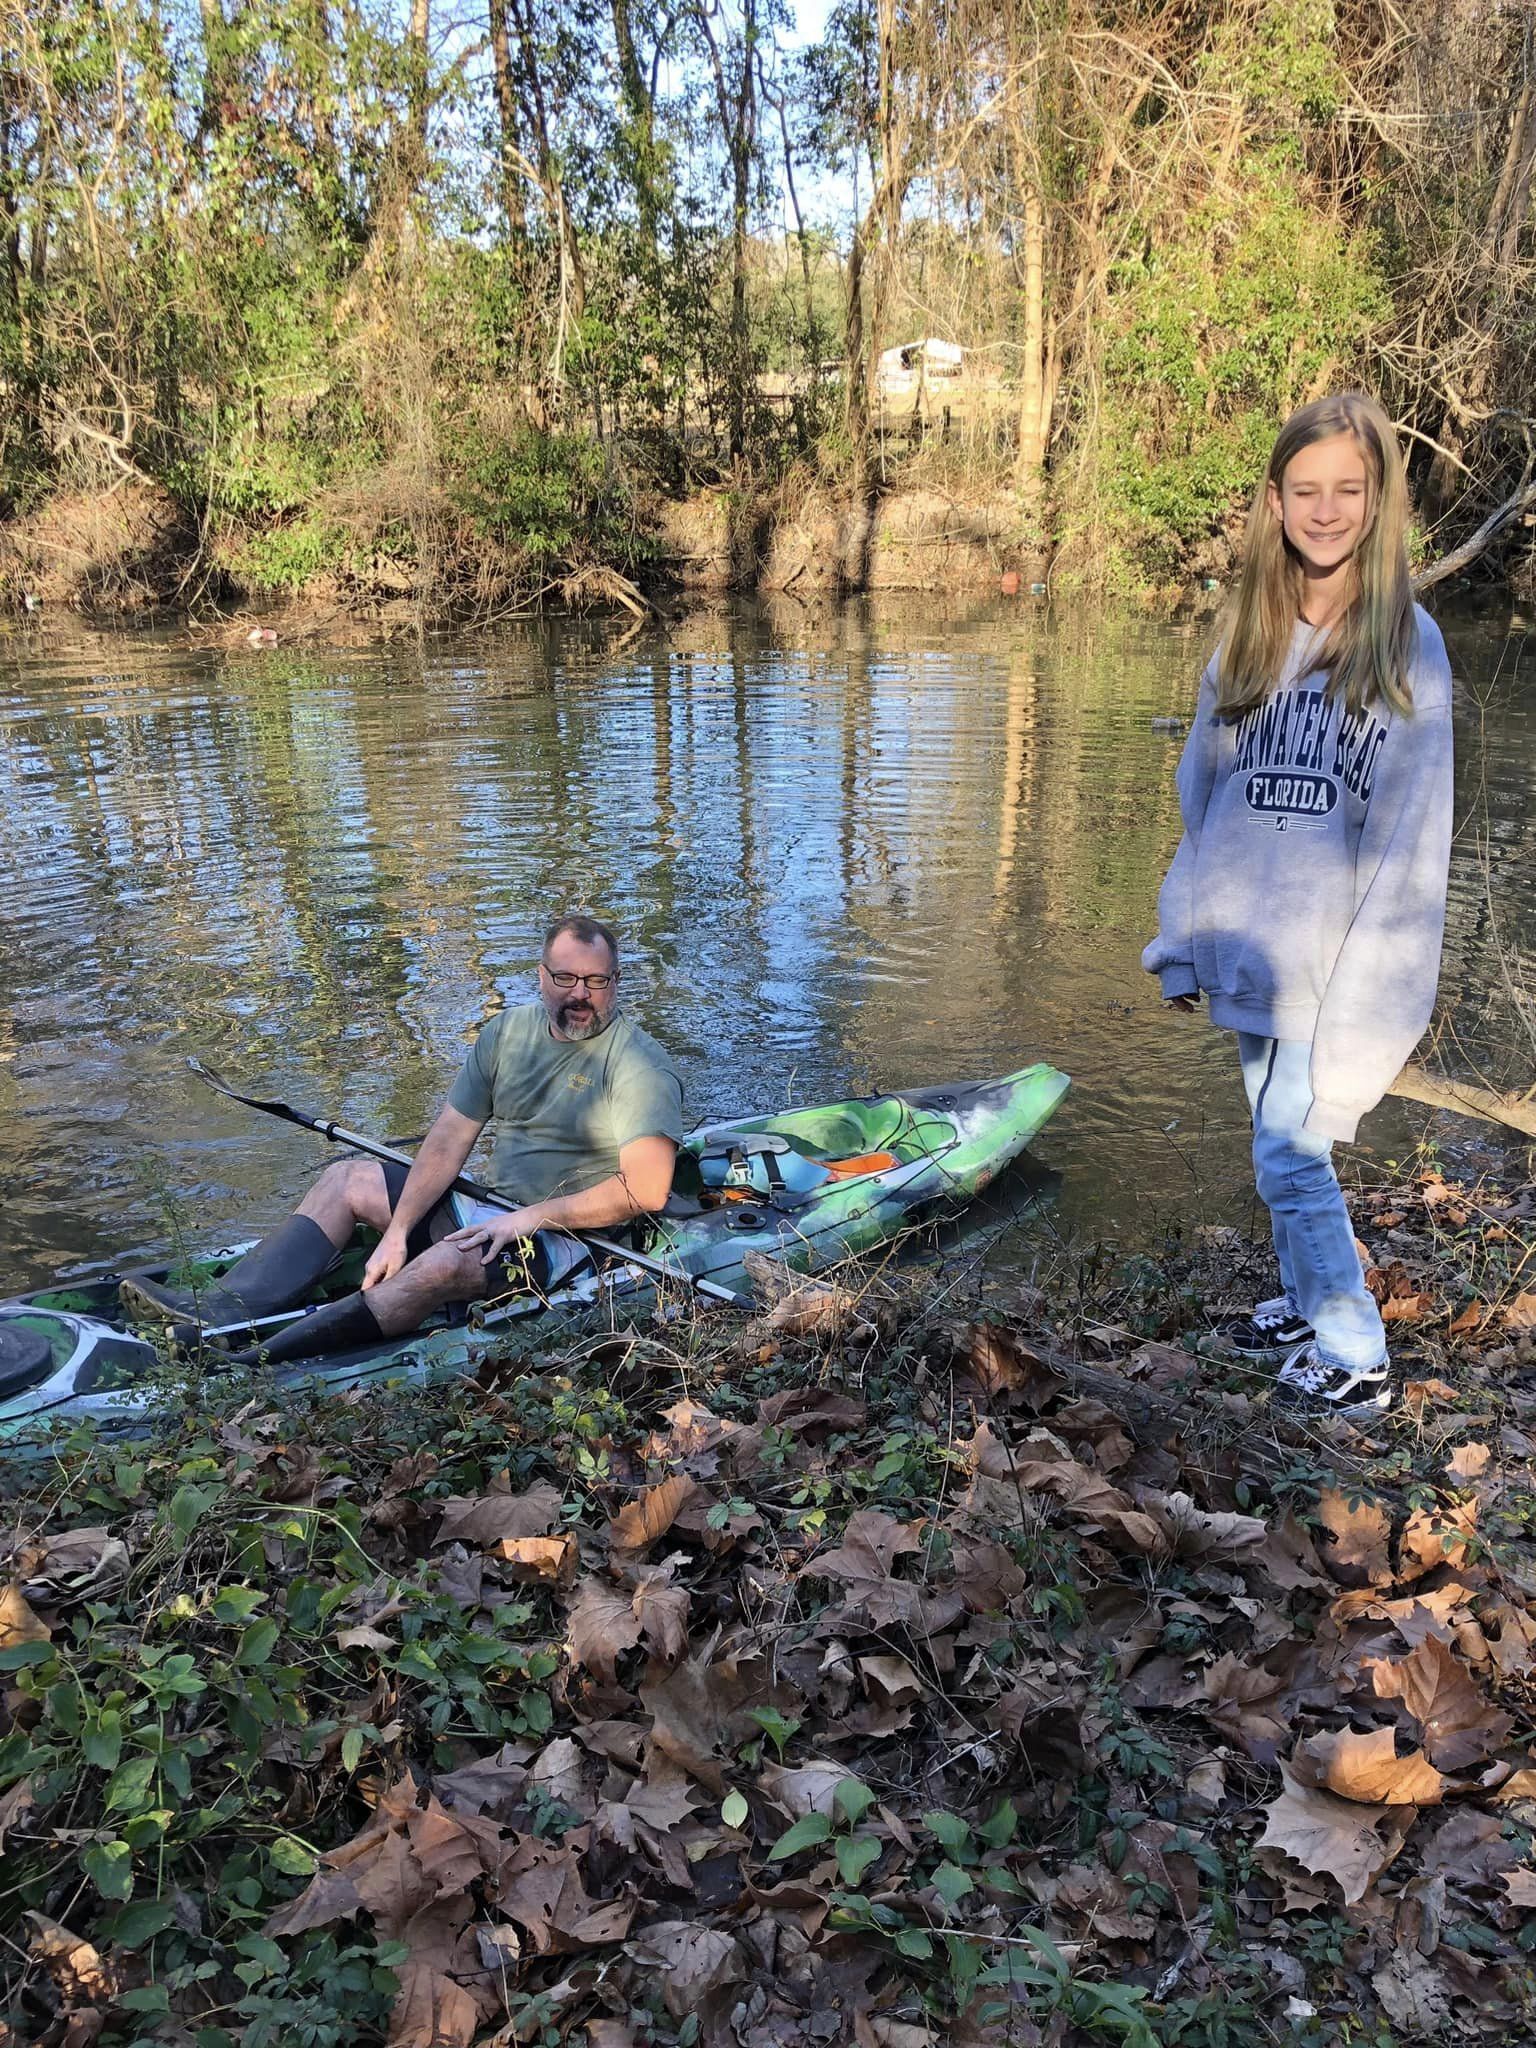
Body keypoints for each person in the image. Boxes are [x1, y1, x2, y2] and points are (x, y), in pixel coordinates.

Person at [1142, 392, 1454, 1415]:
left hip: (1334, 970)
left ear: (1377, 503)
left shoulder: (1408, 646)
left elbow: (1408, 855)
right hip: (1251, 950)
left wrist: (1371, 1020)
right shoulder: (1250, 631)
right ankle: (1300, 1290)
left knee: (1293, 1142)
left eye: (1347, 491)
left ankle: (1355, 1346)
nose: (1325, 510)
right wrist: (1184, 940)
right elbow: (1204, 798)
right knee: (1276, 1139)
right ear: (1275, 501)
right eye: (1305, 490)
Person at [123, 915, 683, 1360]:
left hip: (569, 1242)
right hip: (489, 1210)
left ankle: (258, 1361)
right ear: (541, 976)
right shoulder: (507, 1034)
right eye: (565, 978)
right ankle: (224, 1310)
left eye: (595, 981)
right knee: (347, 1178)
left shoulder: (638, 1065)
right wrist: (399, 1230)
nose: (579, 994)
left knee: (440, 1265)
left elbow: (646, 1190)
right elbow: (447, 1139)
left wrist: (527, 1219)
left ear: (615, 984)